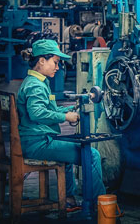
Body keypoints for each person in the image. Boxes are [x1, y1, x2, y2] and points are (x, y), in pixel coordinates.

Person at [17, 39, 105, 211]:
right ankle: (100, 206)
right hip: (38, 143)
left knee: (69, 156)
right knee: (92, 155)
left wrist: (71, 108)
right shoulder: (35, 85)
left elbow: (48, 108)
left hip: (38, 140)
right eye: (55, 62)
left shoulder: (38, 81)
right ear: (42, 60)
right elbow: (37, 113)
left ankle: (68, 199)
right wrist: (65, 116)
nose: (57, 67)